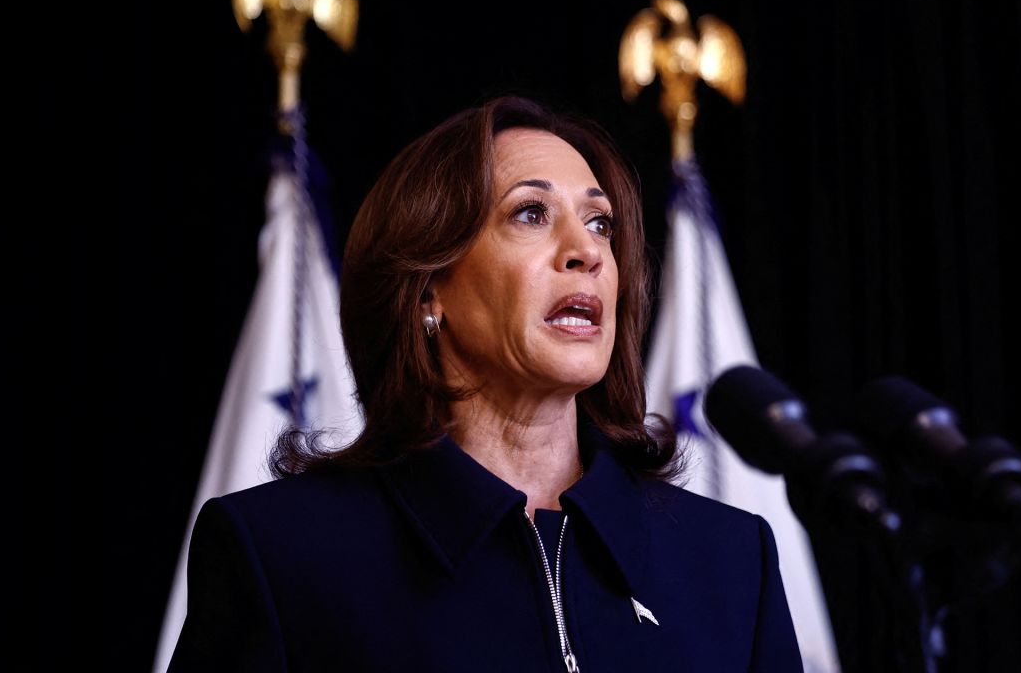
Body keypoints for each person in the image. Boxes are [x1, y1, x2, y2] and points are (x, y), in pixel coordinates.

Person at [168, 96, 804, 672]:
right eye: (531, 212)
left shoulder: (730, 562)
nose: (586, 250)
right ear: (428, 288)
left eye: (601, 223)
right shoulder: (282, 555)